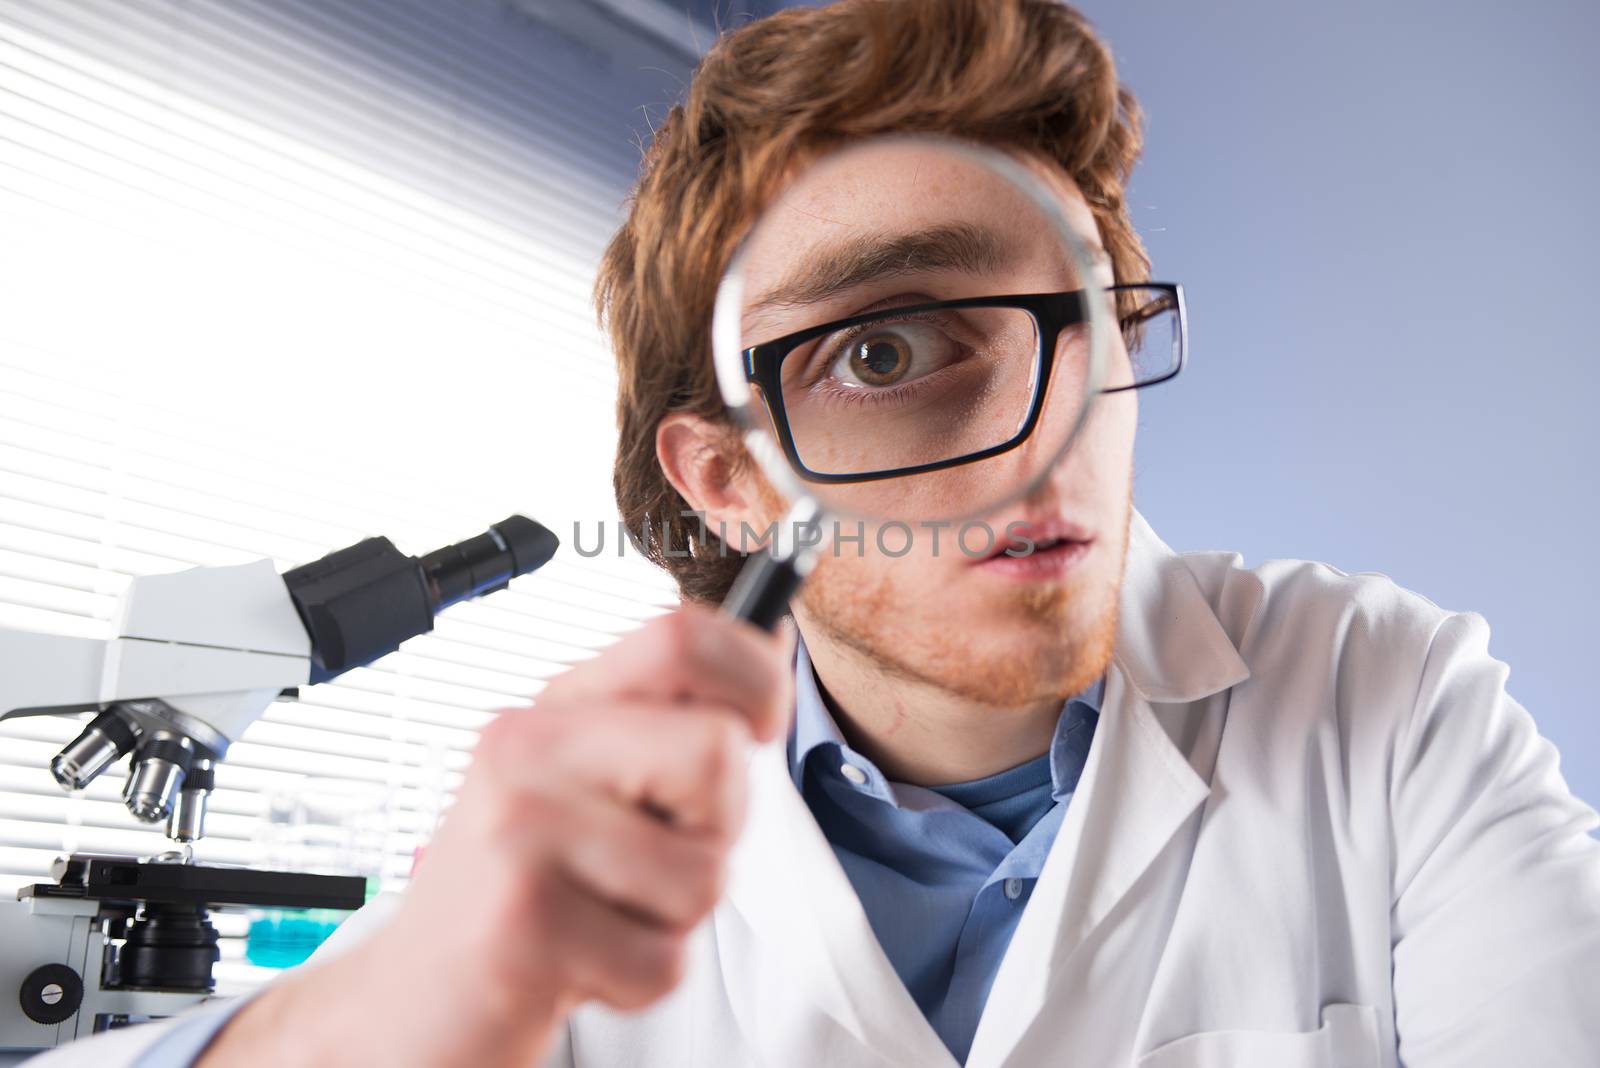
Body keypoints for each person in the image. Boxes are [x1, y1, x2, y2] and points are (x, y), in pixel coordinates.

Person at [29, 1, 1600, 1066]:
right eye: (884, 351)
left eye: (1083, 321)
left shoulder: (1377, 697)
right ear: (728, 482)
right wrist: (386, 1008)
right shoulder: (593, 842)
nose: (1054, 432)